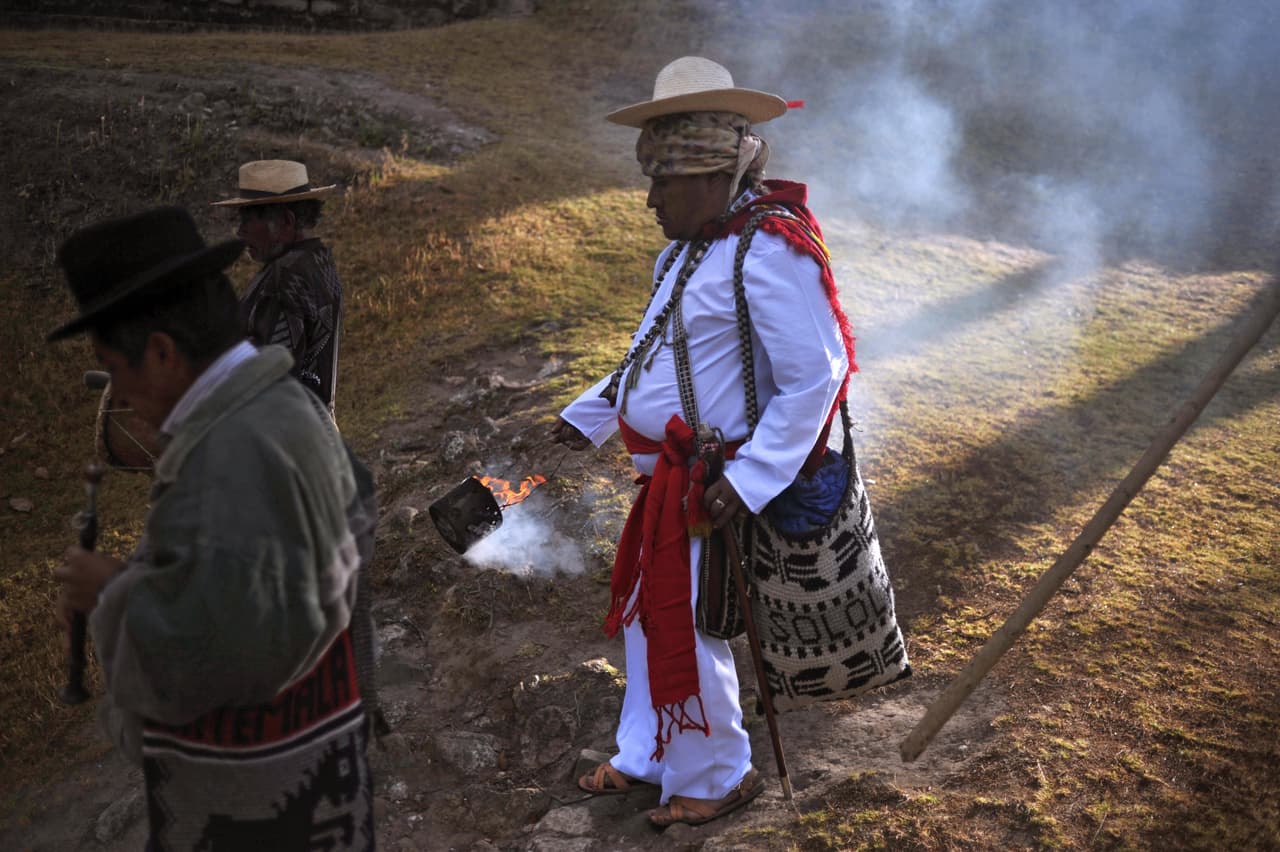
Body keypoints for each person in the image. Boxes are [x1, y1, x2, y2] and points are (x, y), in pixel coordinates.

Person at [552, 56, 856, 829]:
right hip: (668, 482)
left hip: (715, 480)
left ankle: (719, 770)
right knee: (654, 617)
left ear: (711, 174)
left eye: (662, 181)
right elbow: (647, 358)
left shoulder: (769, 249)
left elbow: (817, 375)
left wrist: (749, 479)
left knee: (691, 619)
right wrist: (580, 419)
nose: (649, 197)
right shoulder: (683, 254)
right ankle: (650, 752)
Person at [49, 206, 374, 851]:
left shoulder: (222, 465)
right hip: (326, 790)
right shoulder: (291, 409)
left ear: (163, 352)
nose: (121, 397)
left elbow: (195, 670)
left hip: (257, 819)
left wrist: (111, 593)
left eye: (116, 372)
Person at [213, 159, 343, 414]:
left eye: (247, 220)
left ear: (286, 221)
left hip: (277, 431)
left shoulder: (284, 277)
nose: (240, 232)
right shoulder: (320, 261)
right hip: (315, 426)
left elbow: (265, 377)